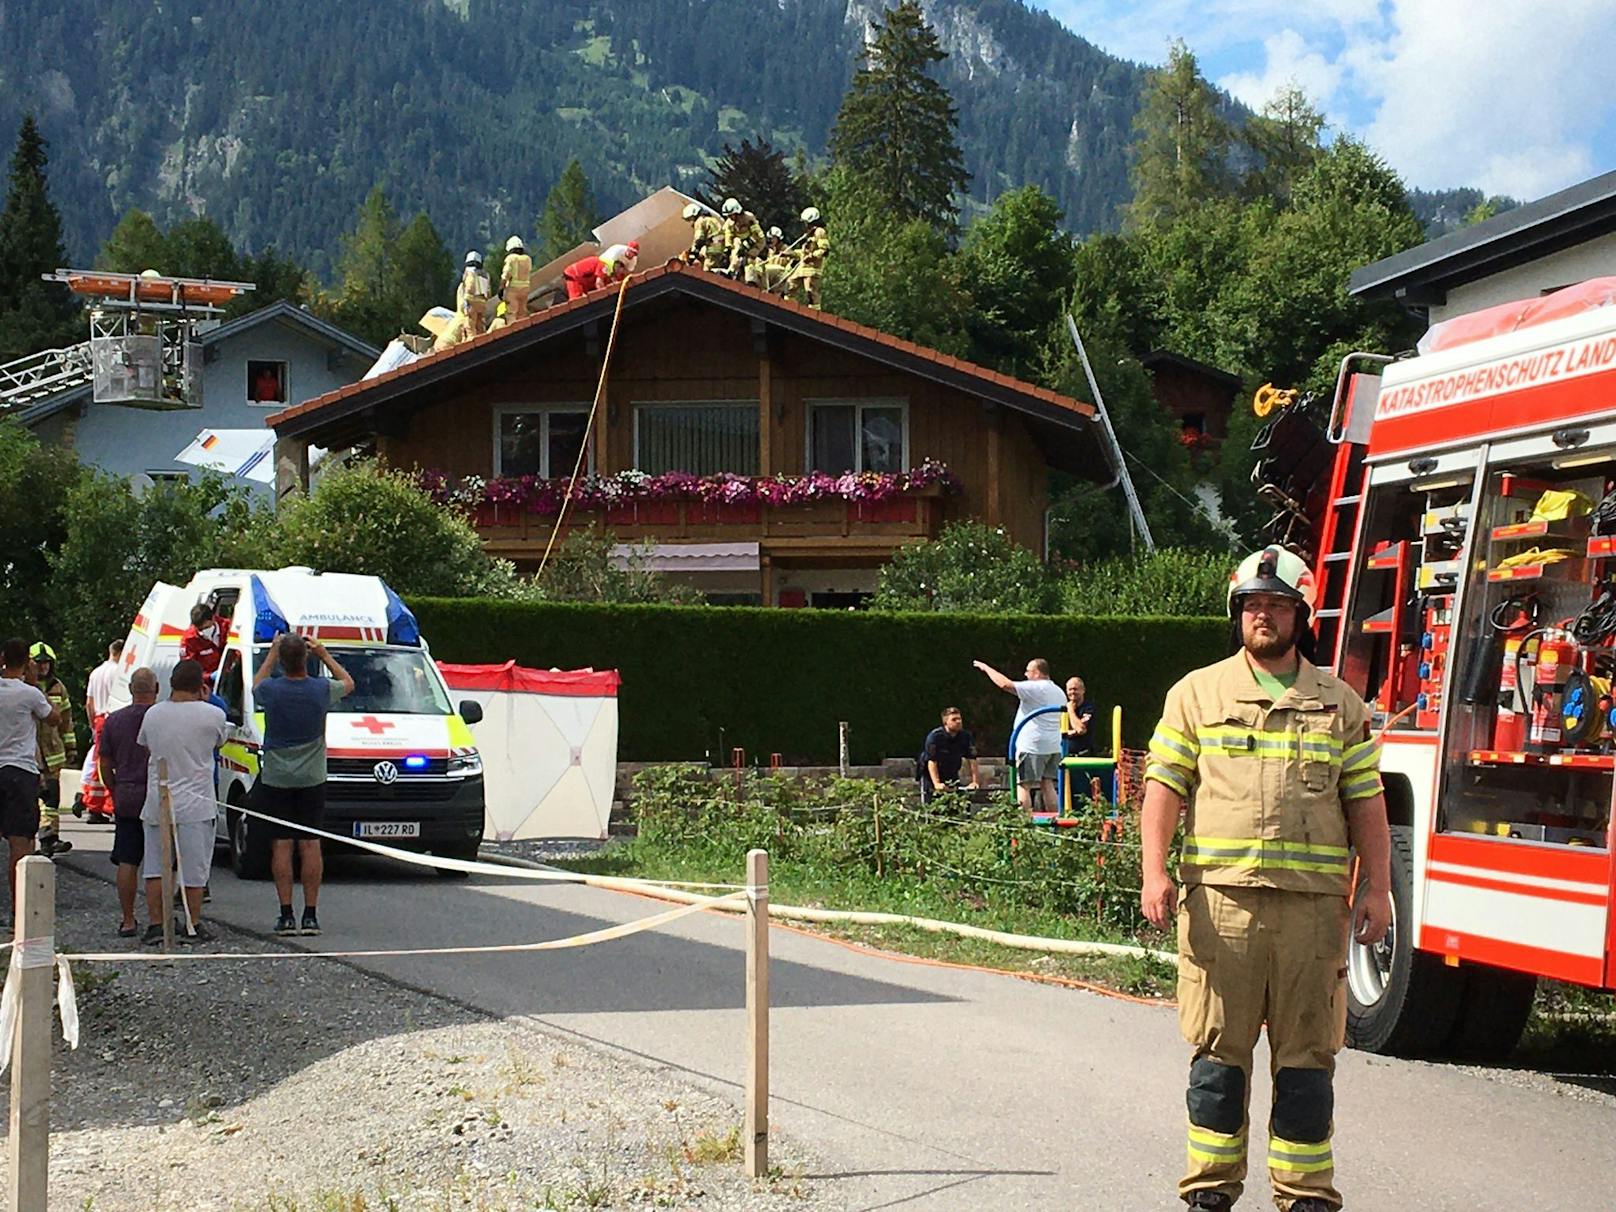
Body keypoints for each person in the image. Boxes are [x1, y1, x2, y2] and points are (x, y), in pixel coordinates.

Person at [1140, 547, 1391, 1212]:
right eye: (1253, 604)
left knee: (1308, 1062)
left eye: (1278, 605)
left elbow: (1367, 802)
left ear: (1299, 615)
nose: (1264, 615)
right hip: (1221, 908)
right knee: (1219, 1058)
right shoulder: (1197, 694)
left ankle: (1306, 1197)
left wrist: (1377, 889)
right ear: (1238, 611)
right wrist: (1153, 872)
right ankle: (1210, 1194)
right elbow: (1163, 787)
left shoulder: (1341, 703)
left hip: (1313, 917)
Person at [252, 634, 354, 937]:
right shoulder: (321, 689)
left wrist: (271, 654)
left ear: (283, 661)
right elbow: (348, 683)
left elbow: (256, 684)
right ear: (305, 658)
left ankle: (286, 914)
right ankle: (310, 915)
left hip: (277, 778)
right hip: (312, 777)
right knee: (310, 844)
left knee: (281, 845)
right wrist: (324, 654)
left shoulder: (272, 690)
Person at [137, 660, 227, 944]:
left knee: (155, 865)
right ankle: (192, 922)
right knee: (194, 867)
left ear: (171, 684)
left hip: (158, 798)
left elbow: (145, 744)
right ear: (200, 685)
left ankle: (155, 923)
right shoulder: (213, 714)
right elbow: (219, 742)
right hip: (196, 802)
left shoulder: (153, 714)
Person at [0, 639, 58, 914]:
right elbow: (54, 718)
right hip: (21, 772)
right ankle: (19, 910)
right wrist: (34, 683)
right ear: (27, 663)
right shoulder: (30, 694)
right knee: (20, 843)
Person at [99, 667, 157, 938]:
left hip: (127, 796)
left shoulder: (114, 721)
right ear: (155, 689)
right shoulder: (161, 718)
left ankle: (128, 919)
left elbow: (105, 763)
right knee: (160, 861)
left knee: (127, 860)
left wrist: (115, 788)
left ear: (131, 690)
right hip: (157, 796)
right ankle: (160, 918)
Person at [973, 657, 1064, 813]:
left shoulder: (1036, 688)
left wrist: (986, 668)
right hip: (1054, 745)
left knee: (1023, 785)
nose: (1025, 674)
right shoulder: (1058, 691)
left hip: (1032, 745)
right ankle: (1055, 822)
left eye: (1028, 671)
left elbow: (1005, 684)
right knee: (1047, 783)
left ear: (1036, 673)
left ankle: (1025, 823)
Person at [28, 642, 76, 857]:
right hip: (31, 752)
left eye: (47, 663)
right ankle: (40, 836)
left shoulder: (58, 687)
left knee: (52, 797)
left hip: (53, 754)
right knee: (38, 796)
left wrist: (71, 747)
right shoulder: (26, 688)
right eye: (39, 663)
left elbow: (66, 720)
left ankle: (50, 837)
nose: (44, 667)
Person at [78, 639, 124, 824]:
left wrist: (92, 725)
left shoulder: (96, 673)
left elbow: (89, 703)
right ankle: (111, 807)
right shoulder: (120, 672)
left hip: (98, 719)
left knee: (99, 763)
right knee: (115, 765)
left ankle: (94, 806)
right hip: (114, 719)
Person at [919, 707, 979, 804]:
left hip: (952, 772)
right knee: (931, 806)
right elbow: (932, 761)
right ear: (946, 722)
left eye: (959, 719)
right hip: (931, 776)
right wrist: (937, 783)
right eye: (954, 719)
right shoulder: (935, 737)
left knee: (956, 804)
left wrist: (974, 781)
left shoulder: (965, 736)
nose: (958, 722)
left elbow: (972, 759)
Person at [788, 207, 828, 308]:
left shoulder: (819, 232)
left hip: (812, 269)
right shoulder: (808, 234)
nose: (805, 225)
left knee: (811, 292)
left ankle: (815, 313)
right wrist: (789, 253)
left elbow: (824, 250)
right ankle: (789, 307)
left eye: (806, 222)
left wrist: (812, 256)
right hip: (802, 268)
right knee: (789, 287)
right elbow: (803, 253)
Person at [179, 603, 223, 684]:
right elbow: (188, 670)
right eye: (200, 629)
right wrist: (209, 677)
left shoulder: (227, 627)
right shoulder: (189, 640)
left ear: (213, 618)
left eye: (206, 628)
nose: (203, 632)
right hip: (205, 685)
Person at [456, 250, 492, 339]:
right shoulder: (485, 274)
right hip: (482, 302)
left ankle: (472, 342)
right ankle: (482, 341)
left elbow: (465, 286)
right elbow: (488, 291)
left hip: (471, 301)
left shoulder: (468, 271)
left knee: (470, 325)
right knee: (480, 326)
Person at [1061, 676, 1098, 758]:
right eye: (1070, 689)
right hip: (1064, 755)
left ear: (1083, 690)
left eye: (1075, 689)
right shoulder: (1062, 708)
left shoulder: (1089, 708)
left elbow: (1081, 729)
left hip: (1083, 756)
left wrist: (1070, 710)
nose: (1072, 692)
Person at [683, 201, 725, 271]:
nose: (690, 221)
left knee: (707, 270)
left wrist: (693, 253)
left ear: (694, 215)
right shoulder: (712, 219)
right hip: (722, 247)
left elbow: (699, 239)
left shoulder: (699, 221)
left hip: (713, 249)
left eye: (690, 218)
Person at [500, 235, 532, 320]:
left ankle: (513, 331)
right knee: (522, 313)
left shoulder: (511, 258)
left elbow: (506, 274)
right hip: (525, 289)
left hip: (513, 290)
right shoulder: (527, 259)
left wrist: (501, 288)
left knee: (511, 313)